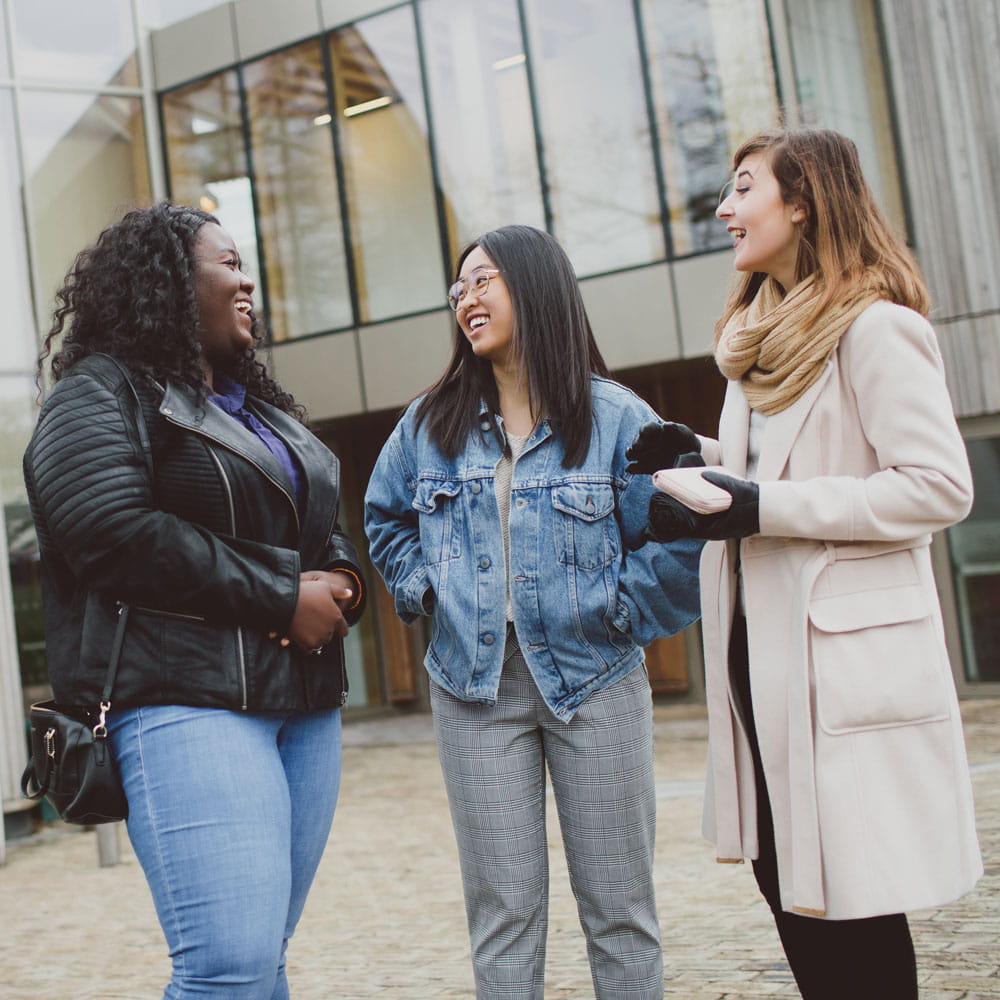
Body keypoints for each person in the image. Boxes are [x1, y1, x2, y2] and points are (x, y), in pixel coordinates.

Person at [627, 128, 983, 999]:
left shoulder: (877, 330)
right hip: (762, 652)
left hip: (842, 664)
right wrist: (705, 453)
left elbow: (938, 488)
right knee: (787, 885)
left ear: (803, 201)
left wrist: (759, 509)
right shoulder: (755, 343)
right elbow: (786, 471)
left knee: (852, 904)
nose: (724, 209)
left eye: (743, 188)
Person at [23, 202, 367, 1000]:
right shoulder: (101, 395)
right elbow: (109, 530)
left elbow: (324, 529)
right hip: (183, 701)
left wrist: (343, 584)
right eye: (229, 263)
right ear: (169, 283)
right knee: (229, 968)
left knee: (261, 960)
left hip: (304, 708)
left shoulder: (260, 410)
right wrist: (282, 596)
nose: (247, 280)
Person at [364, 224, 703, 1000]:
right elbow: (384, 517)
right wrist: (425, 592)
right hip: (473, 689)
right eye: (458, 288)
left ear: (535, 287)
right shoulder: (428, 426)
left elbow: (681, 534)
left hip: (596, 683)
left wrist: (625, 610)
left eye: (483, 281)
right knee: (504, 914)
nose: (466, 299)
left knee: (619, 909)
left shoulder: (617, 418)